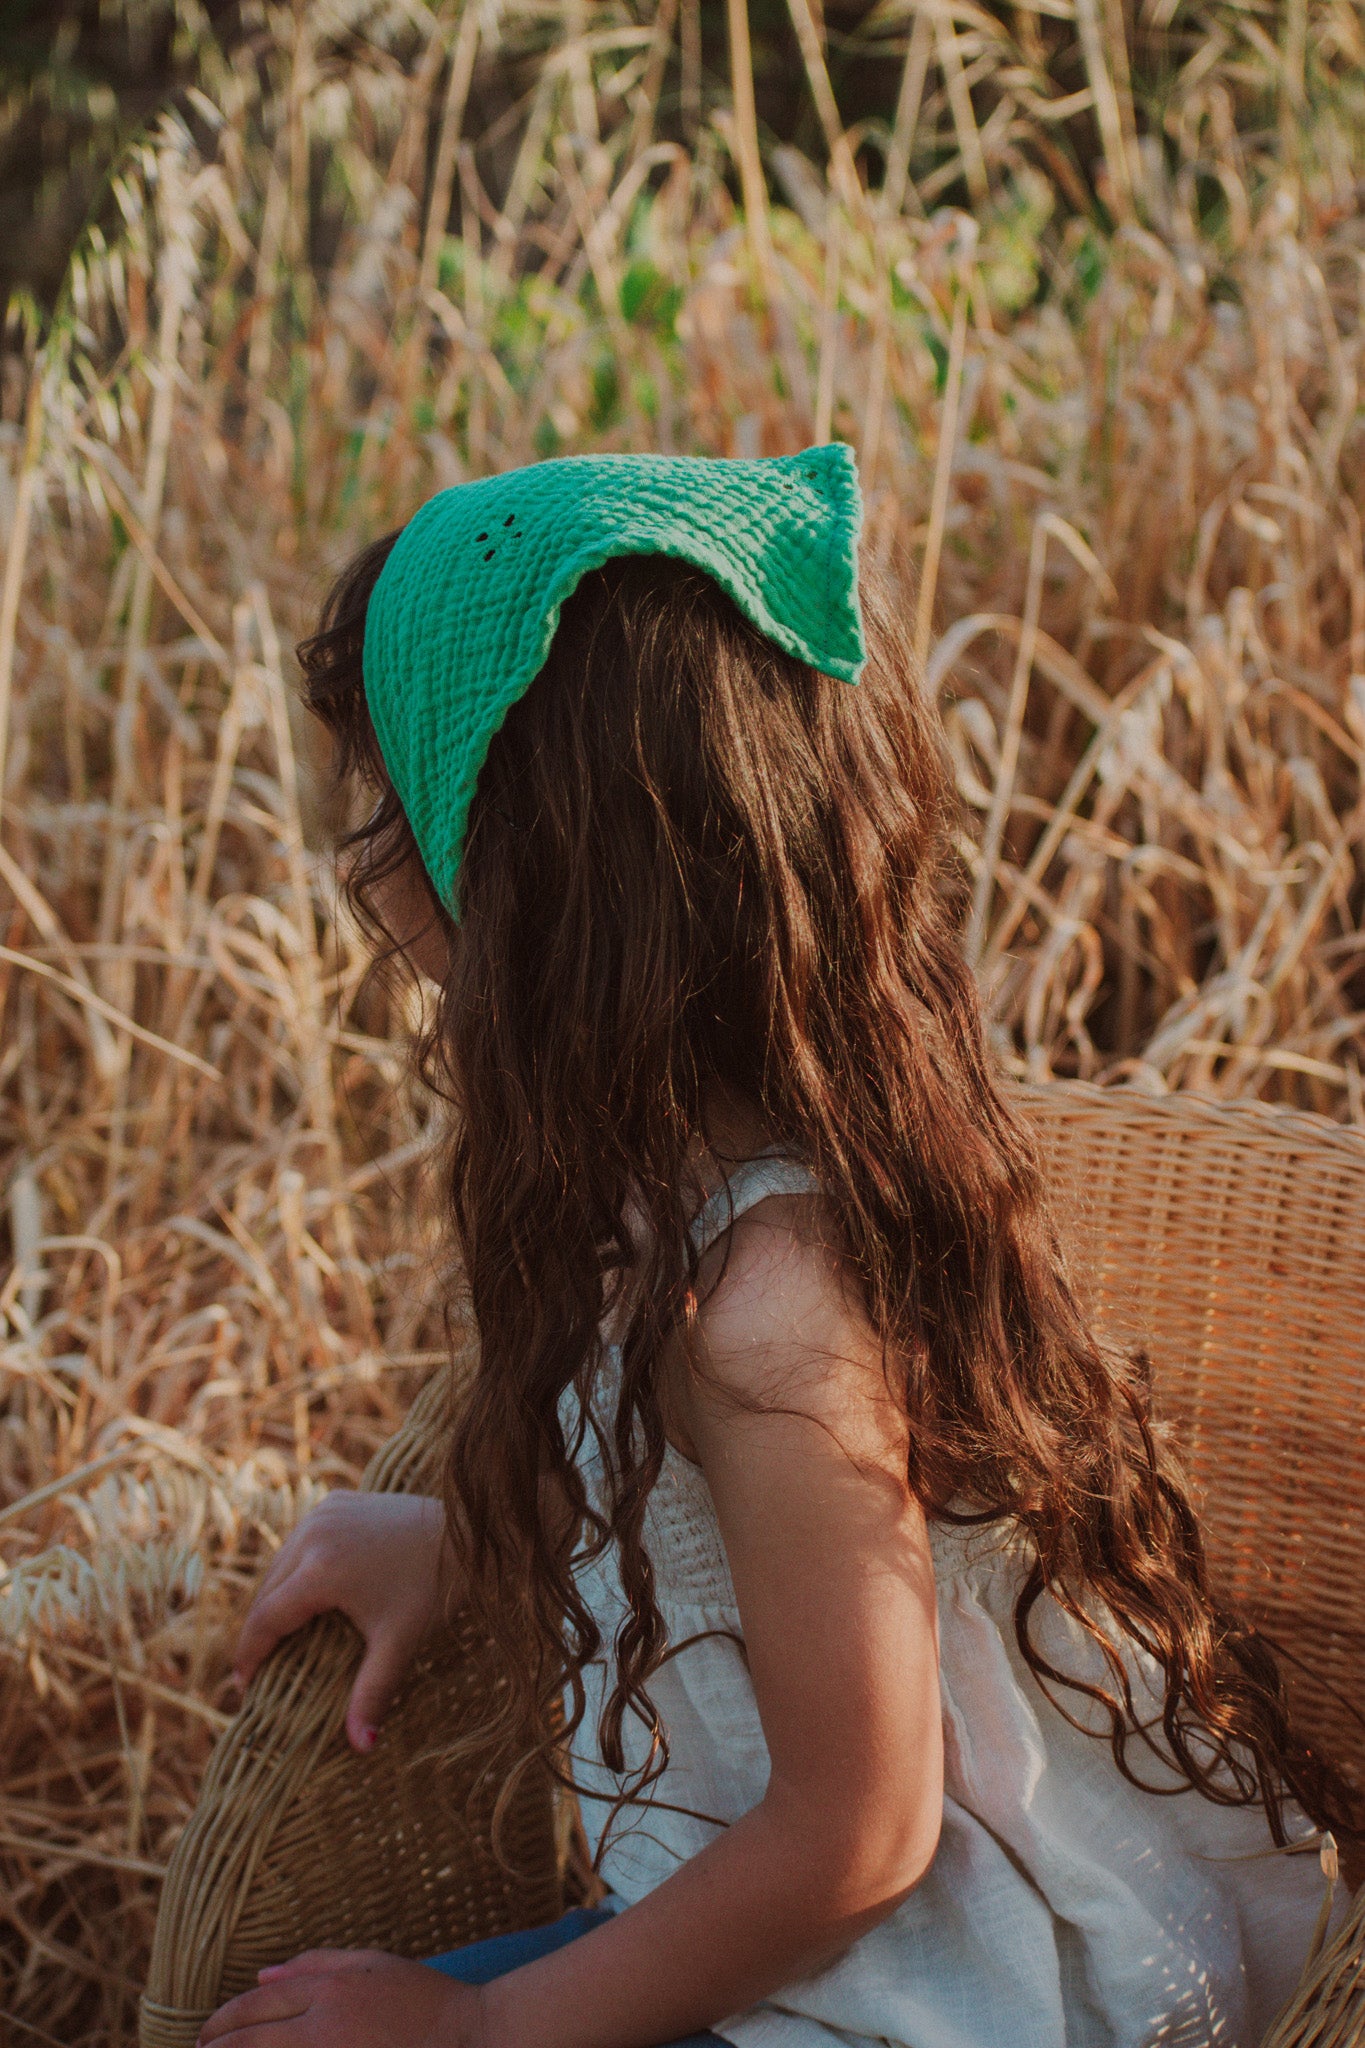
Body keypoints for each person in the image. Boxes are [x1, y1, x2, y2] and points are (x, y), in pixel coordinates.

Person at [199, 447, 1350, 2048]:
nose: (367, 860)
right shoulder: (675, 1158)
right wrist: (463, 1537)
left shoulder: (767, 1308)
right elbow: (661, 1485)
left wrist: (478, 2035)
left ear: (540, 885)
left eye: (388, 803)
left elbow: (861, 1836)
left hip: (947, 1991)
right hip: (807, 1922)